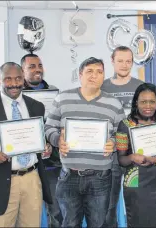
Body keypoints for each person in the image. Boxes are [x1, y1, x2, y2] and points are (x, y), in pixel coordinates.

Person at [0, 62, 52, 227]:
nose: (14, 84)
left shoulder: (37, 107)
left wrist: (46, 147)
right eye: (8, 79)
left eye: (18, 78)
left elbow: (39, 138)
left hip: (31, 180)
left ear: (23, 79)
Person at [44, 57, 125, 227]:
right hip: (69, 176)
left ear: (104, 77)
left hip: (100, 177)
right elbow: (49, 127)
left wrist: (114, 143)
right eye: (89, 71)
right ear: (80, 75)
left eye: (99, 72)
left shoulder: (114, 104)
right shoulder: (63, 99)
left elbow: (122, 135)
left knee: (98, 223)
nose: (94, 75)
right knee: (70, 224)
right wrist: (57, 139)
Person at [115, 83, 156, 227]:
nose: (148, 105)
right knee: (137, 222)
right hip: (135, 183)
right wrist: (132, 157)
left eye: (152, 101)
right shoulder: (125, 124)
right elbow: (121, 160)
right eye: (143, 101)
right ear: (136, 102)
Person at [101, 46, 144, 227]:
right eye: (120, 60)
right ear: (112, 61)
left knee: (137, 205)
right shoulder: (102, 87)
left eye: (128, 61)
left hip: (134, 155)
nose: (124, 65)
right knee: (108, 206)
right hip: (110, 155)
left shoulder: (141, 87)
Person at [21, 53, 62, 227]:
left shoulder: (54, 93)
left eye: (39, 66)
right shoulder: (16, 96)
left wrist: (52, 144)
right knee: (27, 215)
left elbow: (60, 125)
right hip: (26, 165)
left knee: (57, 212)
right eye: (31, 67)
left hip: (52, 164)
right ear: (22, 71)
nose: (37, 70)